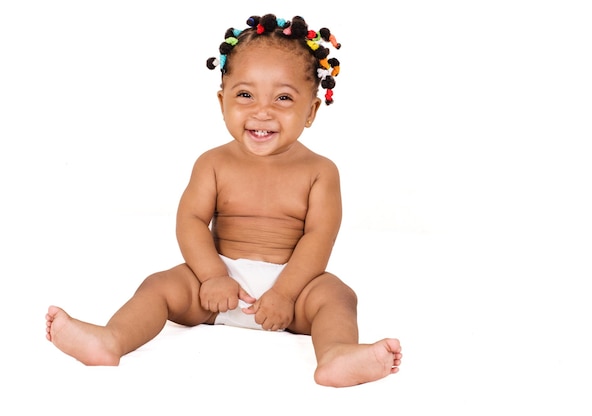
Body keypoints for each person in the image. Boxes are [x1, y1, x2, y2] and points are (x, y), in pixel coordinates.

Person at [45, 13, 402, 388]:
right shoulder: (213, 163)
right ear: (222, 101)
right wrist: (213, 275)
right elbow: (192, 221)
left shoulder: (320, 171)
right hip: (215, 283)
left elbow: (318, 238)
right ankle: (110, 340)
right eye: (245, 95)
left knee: (337, 296)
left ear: (311, 110)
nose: (261, 111)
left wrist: (284, 293)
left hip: (294, 288)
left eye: (283, 98)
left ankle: (336, 354)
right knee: (159, 285)